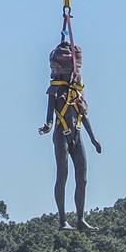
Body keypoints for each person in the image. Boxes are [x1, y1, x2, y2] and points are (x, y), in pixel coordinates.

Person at [39, 40, 102, 232]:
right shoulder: (55, 90)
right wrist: (47, 126)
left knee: (82, 179)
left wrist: (93, 139)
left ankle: (81, 219)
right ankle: (62, 220)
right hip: (61, 134)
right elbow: (50, 116)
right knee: (62, 175)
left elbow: (83, 116)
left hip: (78, 134)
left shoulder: (76, 92)